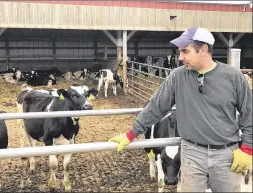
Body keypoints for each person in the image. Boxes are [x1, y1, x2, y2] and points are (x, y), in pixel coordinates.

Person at [108, 26, 252, 192]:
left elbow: (249, 114)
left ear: (204, 49)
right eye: (180, 52)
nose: (181, 57)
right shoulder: (178, 76)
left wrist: (247, 148)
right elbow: (155, 106)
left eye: (185, 51)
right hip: (191, 153)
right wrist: (131, 133)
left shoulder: (233, 77)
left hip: (226, 154)